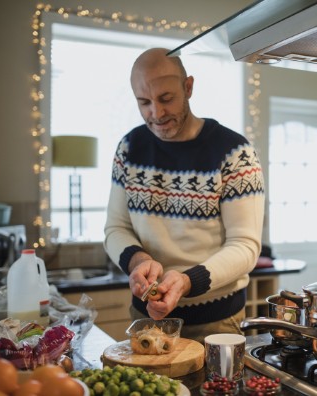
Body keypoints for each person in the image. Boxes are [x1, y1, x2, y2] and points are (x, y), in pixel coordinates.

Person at [104, 48, 265, 343]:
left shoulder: (234, 152)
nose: (156, 113)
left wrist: (188, 281)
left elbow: (245, 246)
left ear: (188, 87)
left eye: (166, 98)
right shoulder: (129, 147)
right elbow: (116, 228)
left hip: (216, 322)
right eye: (144, 102)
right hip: (146, 319)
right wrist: (137, 260)